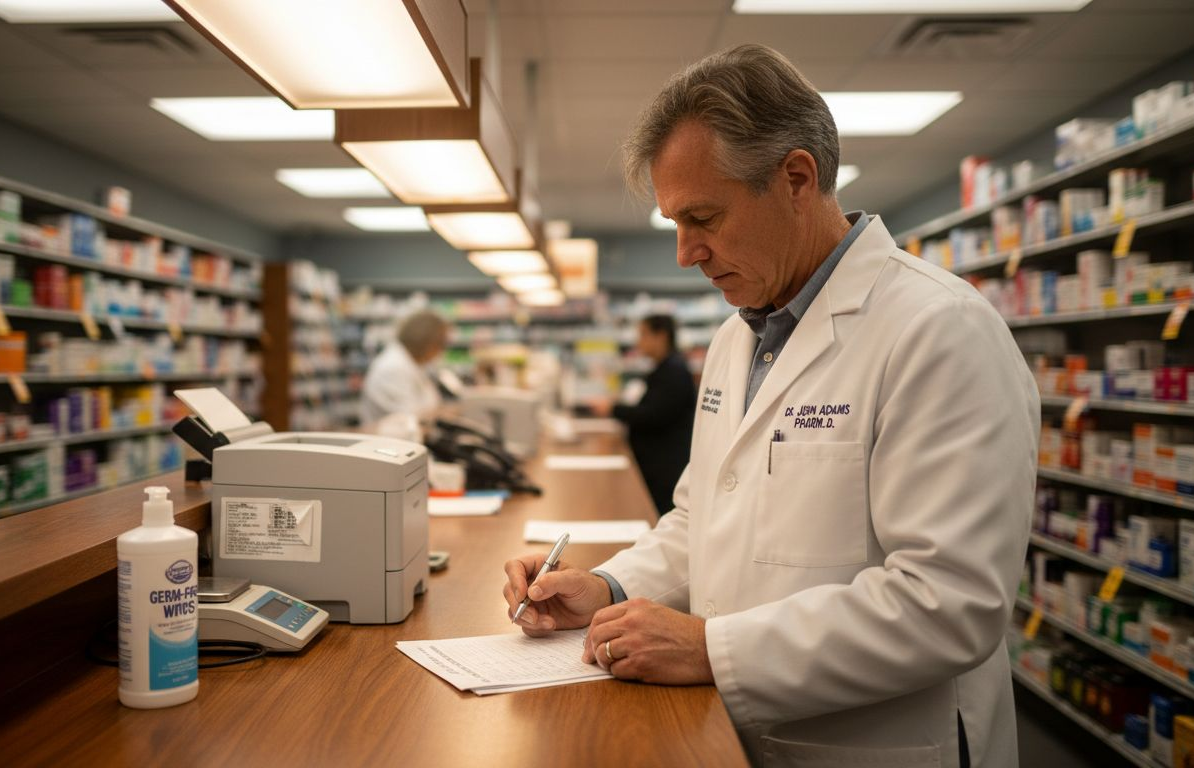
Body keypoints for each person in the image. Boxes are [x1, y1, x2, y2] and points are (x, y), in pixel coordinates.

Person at [502, 44, 1037, 768]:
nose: (687, 253)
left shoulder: (940, 331)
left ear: (795, 178)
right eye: (675, 225)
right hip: (735, 731)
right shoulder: (736, 339)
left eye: (704, 217)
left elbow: (948, 603)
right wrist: (607, 586)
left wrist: (711, 647)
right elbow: (702, 519)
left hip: (880, 746)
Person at [590, 314, 696, 515]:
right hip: (658, 464)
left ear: (661, 336)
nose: (639, 341)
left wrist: (613, 409)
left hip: (665, 469)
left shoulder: (674, 371)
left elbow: (653, 415)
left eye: (643, 334)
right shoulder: (665, 368)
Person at [359, 310, 447, 425]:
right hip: (393, 440)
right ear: (427, 342)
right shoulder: (393, 367)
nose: (441, 351)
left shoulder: (412, 362)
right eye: (441, 344)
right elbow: (411, 419)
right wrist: (442, 413)